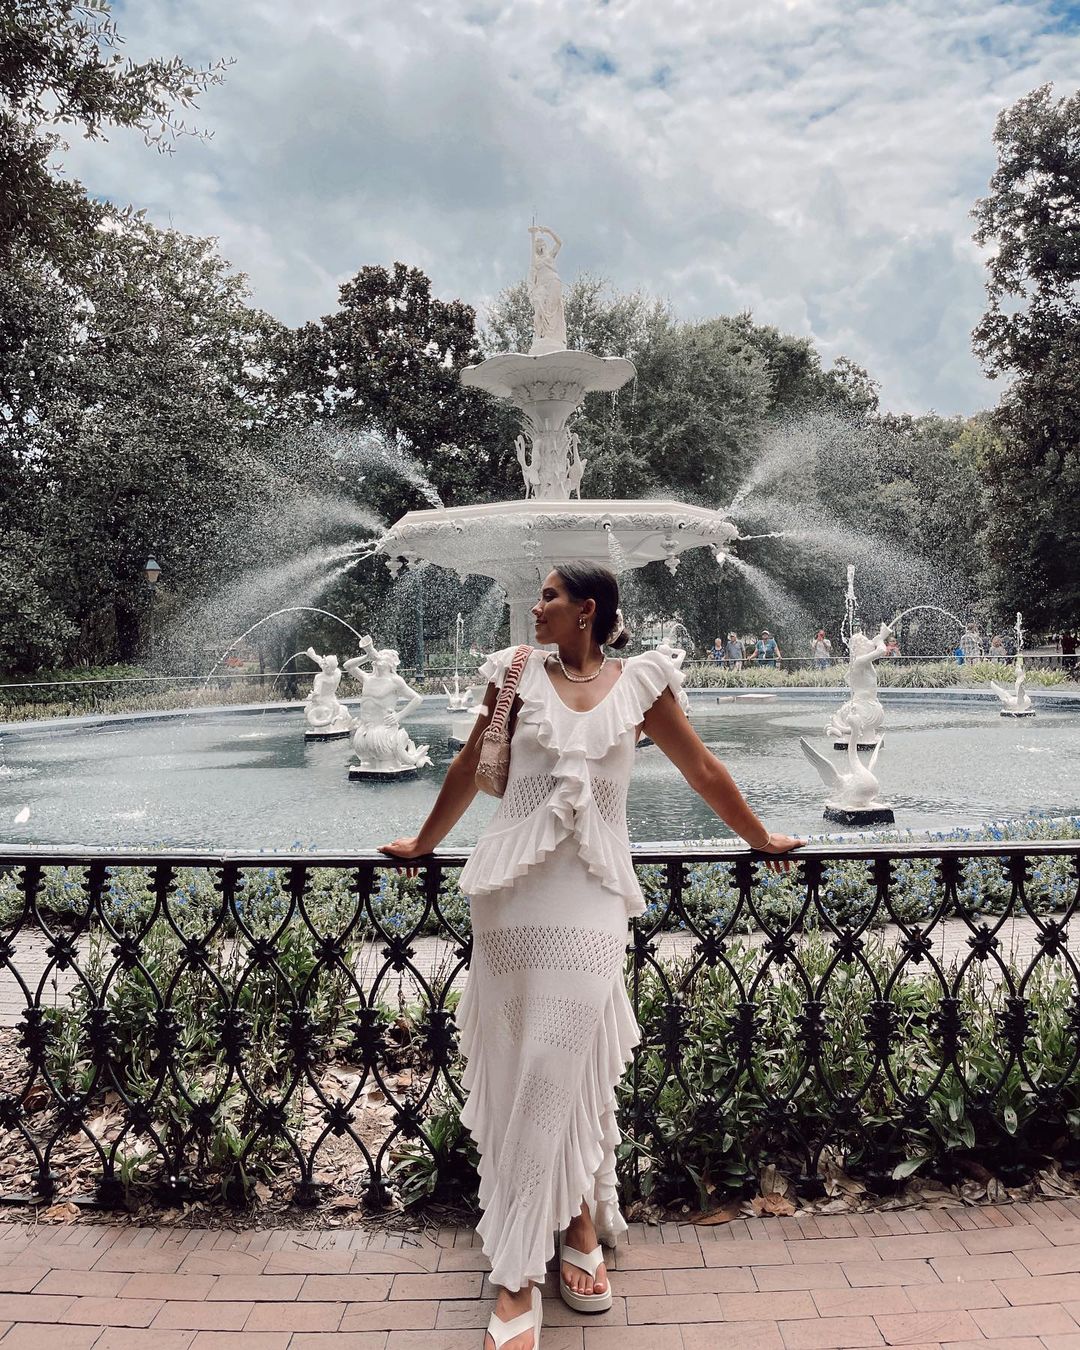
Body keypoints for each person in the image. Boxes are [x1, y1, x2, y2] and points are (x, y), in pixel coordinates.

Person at [379, 563, 801, 1350]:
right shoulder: (513, 675)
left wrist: (760, 837)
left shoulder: (641, 683)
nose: (536, 607)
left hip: (594, 894)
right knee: (525, 1065)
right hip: (511, 891)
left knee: (561, 1058)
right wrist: (423, 843)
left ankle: (516, 1272)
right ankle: (574, 1223)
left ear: (587, 610)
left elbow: (702, 768)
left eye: (549, 596)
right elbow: (470, 766)